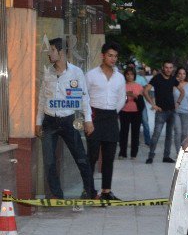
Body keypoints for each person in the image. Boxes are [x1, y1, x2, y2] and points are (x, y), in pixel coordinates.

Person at [35, 37, 96, 202]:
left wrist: (88, 119)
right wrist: (38, 122)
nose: (49, 53)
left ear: (61, 52)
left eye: (52, 50)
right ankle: (56, 194)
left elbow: (84, 98)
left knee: (81, 157)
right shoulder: (48, 72)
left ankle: (90, 192)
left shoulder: (76, 72)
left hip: (69, 121)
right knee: (49, 161)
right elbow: (42, 98)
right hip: (49, 122)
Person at [85, 41, 126, 201]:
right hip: (94, 116)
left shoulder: (120, 77)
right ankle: (89, 190)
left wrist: (112, 112)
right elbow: (84, 97)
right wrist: (88, 119)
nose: (113, 59)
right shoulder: (91, 75)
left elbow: (122, 98)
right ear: (103, 56)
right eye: (110, 55)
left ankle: (106, 191)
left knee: (109, 157)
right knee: (92, 157)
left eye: (115, 56)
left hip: (111, 117)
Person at [143, 60, 181, 164]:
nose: (168, 69)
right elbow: (145, 91)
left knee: (169, 135)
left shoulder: (173, 79)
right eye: (166, 67)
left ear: (172, 68)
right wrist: (153, 105)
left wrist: (178, 102)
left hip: (172, 111)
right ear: (163, 68)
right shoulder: (157, 78)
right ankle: (150, 156)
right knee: (156, 135)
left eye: (170, 67)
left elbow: (182, 91)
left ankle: (166, 156)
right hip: (161, 112)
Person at [118, 67, 144, 160]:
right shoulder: (122, 86)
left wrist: (134, 96)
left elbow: (141, 100)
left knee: (135, 133)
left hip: (136, 112)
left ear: (134, 75)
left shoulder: (139, 86)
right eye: (128, 74)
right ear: (125, 75)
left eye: (132, 74)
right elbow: (119, 99)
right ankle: (122, 153)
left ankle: (134, 154)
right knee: (123, 132)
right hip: (124, 111)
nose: (130, 76)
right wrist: (125, 95)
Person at [173, 67, 188, 153]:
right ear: (177, 74)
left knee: (184, 133)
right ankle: (177, 152)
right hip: (175, 112)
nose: (182, 76)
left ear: (186, 75)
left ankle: (182, 150)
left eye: (184, 74)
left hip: (186, 112)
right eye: (180, 73)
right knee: (177, 132)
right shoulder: (173, 85)